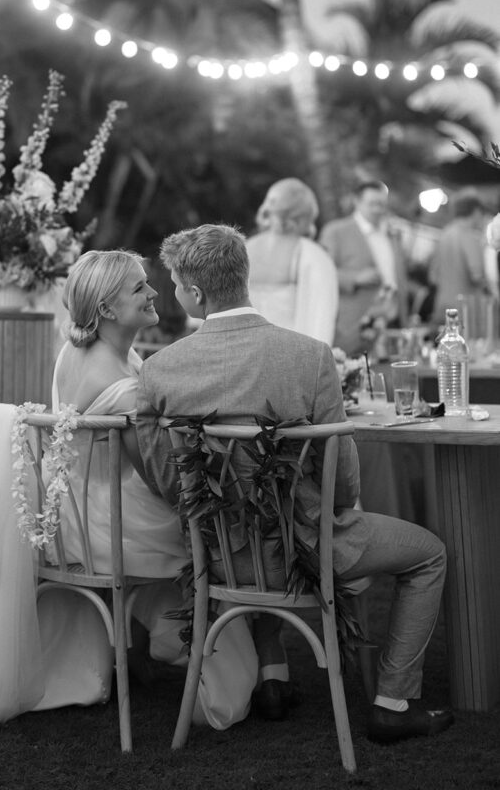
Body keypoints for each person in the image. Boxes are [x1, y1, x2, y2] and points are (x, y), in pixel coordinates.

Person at [136, 224, 453, 744]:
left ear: (195, 293)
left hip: (216, 554)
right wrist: (330, 512)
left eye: (174, 284)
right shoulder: (309, 356)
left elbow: (169, 481)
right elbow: (344, 481)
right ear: (243, 276)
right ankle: (394, 701)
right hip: (307, 549)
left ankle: (272, 680)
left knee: (263, 515)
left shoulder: (161, 370)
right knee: (429, 553)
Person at [0, 250, 258, 729]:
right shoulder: (121, 384)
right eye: (139, 289)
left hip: (73, 506)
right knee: (221, 529)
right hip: (102, 521)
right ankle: (207, 665)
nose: (153, 294)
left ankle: (157, 646)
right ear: (107, 310)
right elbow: (157, 474)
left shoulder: (81, 350)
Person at [320, 180, 409, 355]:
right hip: (353, 326)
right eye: (372, 204)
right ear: (356, 201)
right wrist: (355, 278)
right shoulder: (336, 231)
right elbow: (321, 272)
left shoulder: (392, 233)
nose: (378, 209)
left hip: (392, 321)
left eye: (382, 204)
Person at [246, 177, 338, 344]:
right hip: (293, 359)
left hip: (246, 361)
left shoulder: (242, 250)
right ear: (304, 217)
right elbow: (321, 320)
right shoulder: (313, 256)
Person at [429, 188, 493, 327]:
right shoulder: (470, 236)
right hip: (465, 312)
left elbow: (433, 276)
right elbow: (477, 276)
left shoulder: (444, 234)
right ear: (476, 212)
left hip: (441, 307)